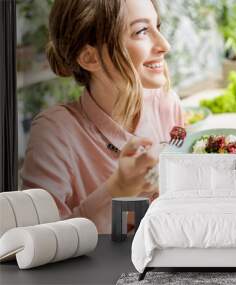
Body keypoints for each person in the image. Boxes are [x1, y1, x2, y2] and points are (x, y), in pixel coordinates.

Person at [21, 0, 184, 233]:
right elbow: (38, 242)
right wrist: (119, 188)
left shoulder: (167, 104)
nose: (164, 45)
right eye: (141, 31)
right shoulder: (54, 133)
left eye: (158, 27)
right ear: (90, 58)